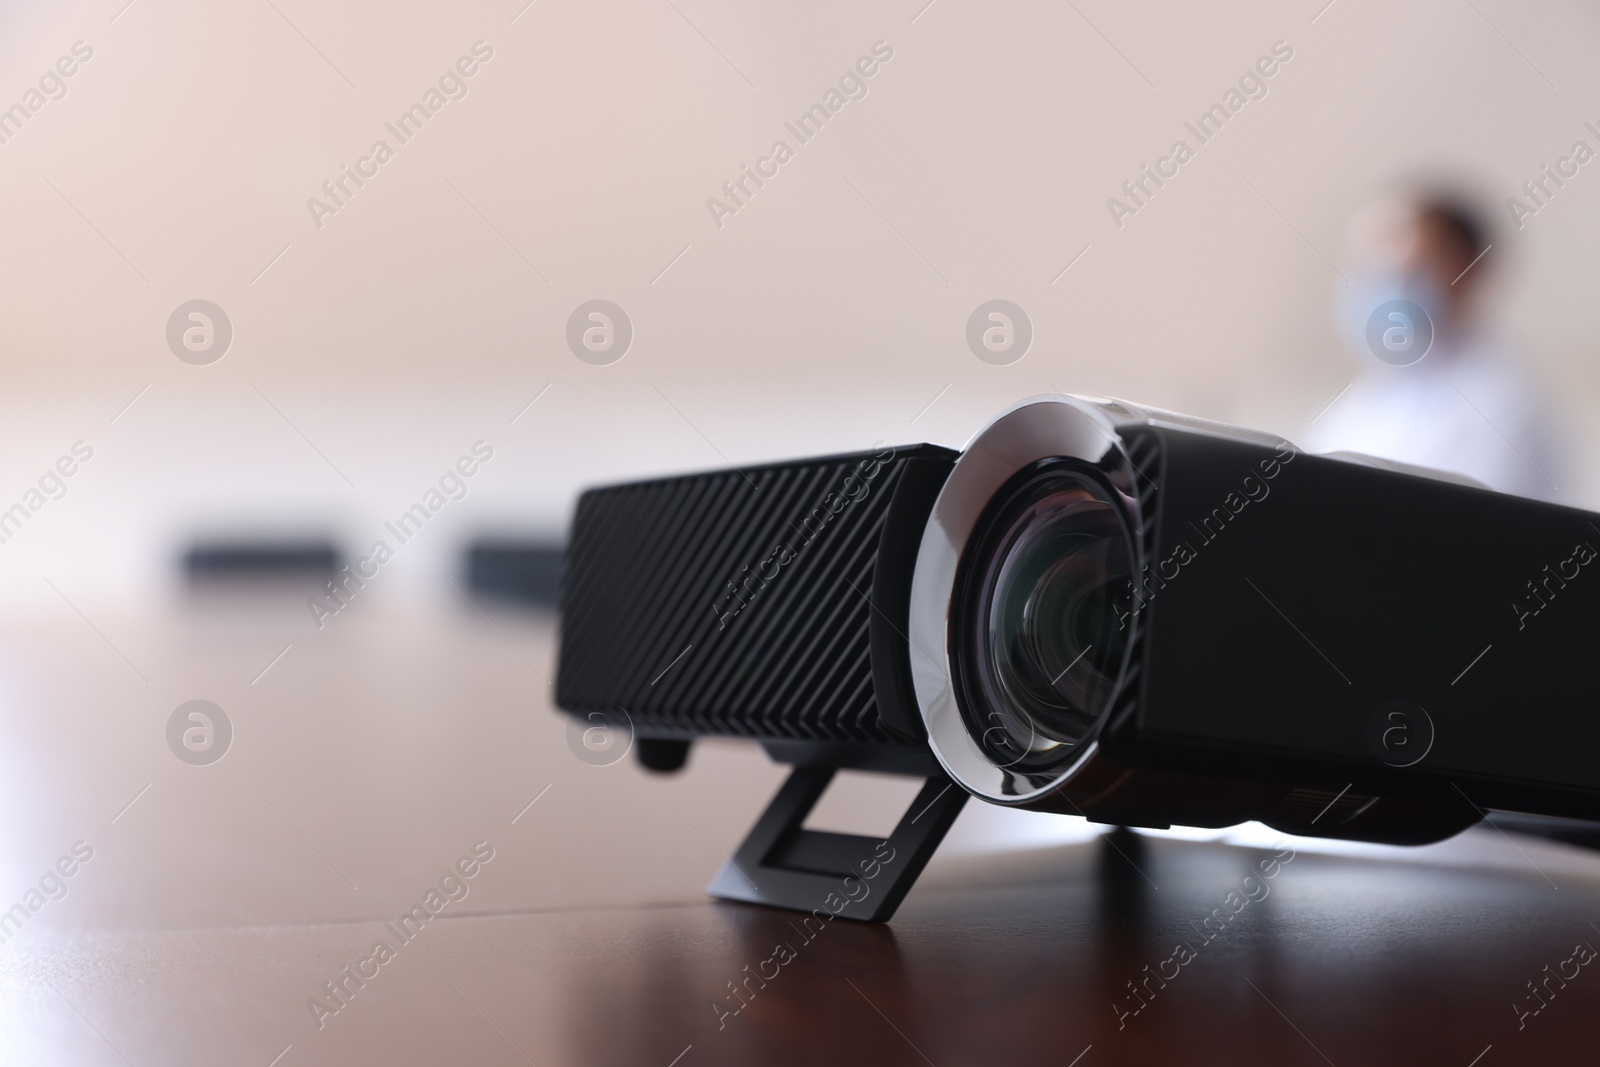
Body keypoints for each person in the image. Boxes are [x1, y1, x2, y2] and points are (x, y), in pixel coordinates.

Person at [1305, 191, 1564, 501]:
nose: (1385, 285)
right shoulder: (1355, 407)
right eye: (1373, 268)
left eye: (1411, 269)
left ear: (1469, 271)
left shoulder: (1506, 407)